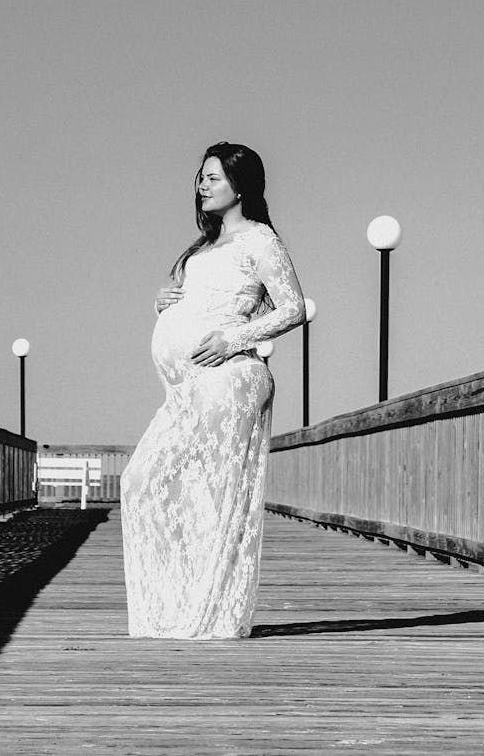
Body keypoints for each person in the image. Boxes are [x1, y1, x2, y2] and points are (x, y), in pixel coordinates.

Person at [120, 141, 305, 639]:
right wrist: (166, 304)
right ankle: (176, 609)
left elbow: (292, 308)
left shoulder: (260, 241)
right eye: (200, 176)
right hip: (184, 389)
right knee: (138, 483)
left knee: (215, 496)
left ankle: (213, 617)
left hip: (229, 381)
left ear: (241, 185)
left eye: (214, 177)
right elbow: (197, 304)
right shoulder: (203, 248)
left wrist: (233, 339)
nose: (202, 185)